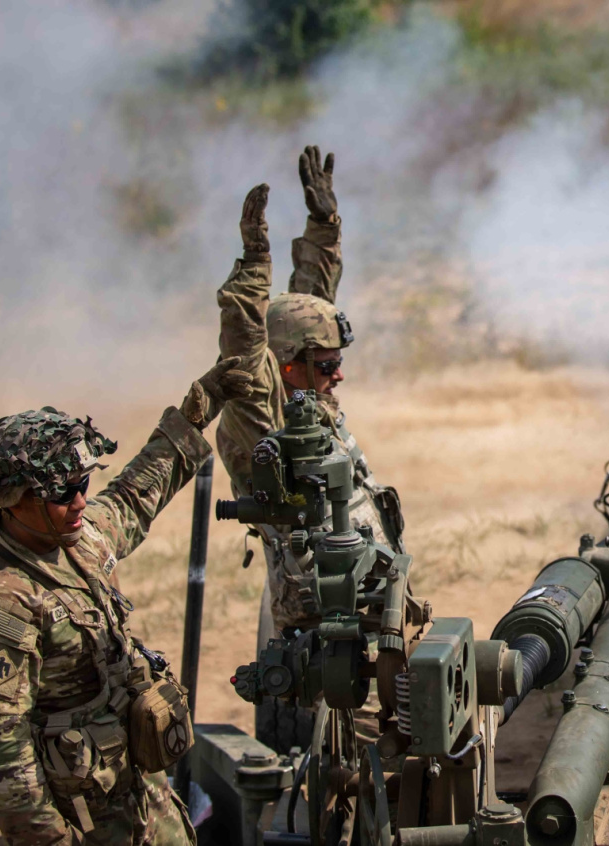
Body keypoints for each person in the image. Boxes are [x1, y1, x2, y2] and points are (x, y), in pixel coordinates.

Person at [0, 359, 252, 845]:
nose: (81, 501)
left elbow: (134, 493)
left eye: (83, 484)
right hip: (89, 820)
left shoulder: (81, 540)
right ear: (14, 500)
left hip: (142, 793)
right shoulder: (3, 602)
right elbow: (2, 751)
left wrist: (197, 413)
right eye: (63, 491)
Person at [217, 149, 413, 751]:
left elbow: (306, 307)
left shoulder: (305, 388)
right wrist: (254, 265)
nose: (338, 375)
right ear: (285, 367)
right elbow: (247, 340)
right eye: (326, 365)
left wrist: (323, 228)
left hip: (369, 594)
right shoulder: (259, 420)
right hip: (324, 618)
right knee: (353, 755)